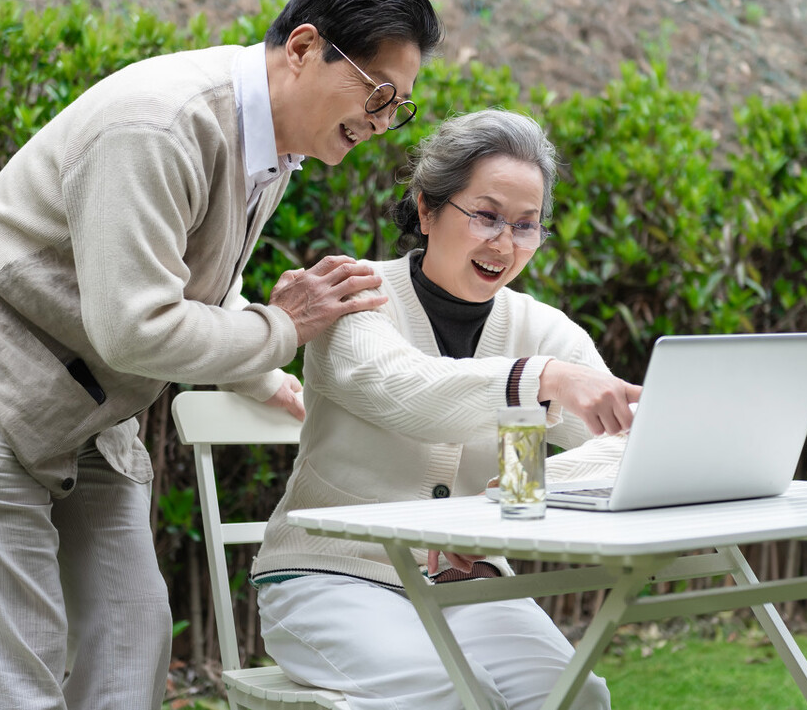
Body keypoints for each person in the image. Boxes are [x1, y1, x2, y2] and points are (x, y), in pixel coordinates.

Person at [0, 0, 442, 710]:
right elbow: (135, 327)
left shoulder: (274, 143)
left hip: (88, 399)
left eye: (398, 108)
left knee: (133, 631)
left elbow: (196, 285)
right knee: (14, 664)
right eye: (377, 93)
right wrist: (281, 329)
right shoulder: (161, 124)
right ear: (305, 47)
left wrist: (261, 376)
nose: (381, 122)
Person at [251, 109, 642, 710]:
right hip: (331, 577)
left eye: (526, 225)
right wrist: (544, 380)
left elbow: (625, 447)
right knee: (455, 696)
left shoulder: (543, 330)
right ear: (427, 209)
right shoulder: (354, 300)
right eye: (485, 216)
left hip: (470, 584)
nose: (505, 244)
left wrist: (499, 501)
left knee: (577, 695)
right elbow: (406, 391)